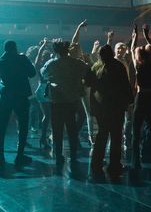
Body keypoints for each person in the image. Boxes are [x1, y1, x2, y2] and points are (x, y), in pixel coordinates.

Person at [85, 44, 133, 180]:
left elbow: (87, 83)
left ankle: (96, 163)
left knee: (102, 134)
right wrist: (129, 100)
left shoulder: (96, 67)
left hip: (100, 107)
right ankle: (114, 165)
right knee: (116, 136)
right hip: (116, 106)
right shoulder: (118, 66)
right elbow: (125, 84)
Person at [40, 40, 88, 171]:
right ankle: (73, 155)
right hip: (72, 101)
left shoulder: (51, 63)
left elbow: (43, 74)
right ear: (67, 49)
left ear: (55, 51)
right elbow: (86, 71)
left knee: (57, 130)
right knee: (72, 129)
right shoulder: (77, 63)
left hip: (57, 101)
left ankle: (59, 156)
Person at [130, 24, 151, 173]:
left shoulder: (138, 65)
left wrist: (135, 36)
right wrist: (147, 35)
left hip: (141, 97)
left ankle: (135, 162)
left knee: (136, 131)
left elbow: (131, 50)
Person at [0, 40, 36, 167]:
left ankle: (1, 156)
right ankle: (19, 156)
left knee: (2, 126)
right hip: (21, 96)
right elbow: (32, 73)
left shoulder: (1, 61)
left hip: (6, 96)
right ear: (15, 48)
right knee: (23, 126)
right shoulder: (22, 58)